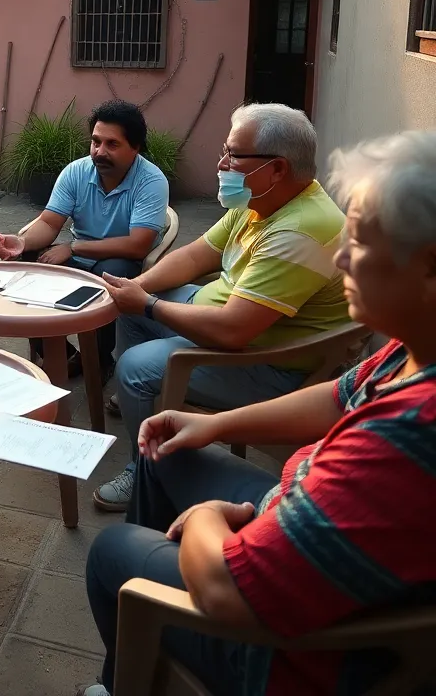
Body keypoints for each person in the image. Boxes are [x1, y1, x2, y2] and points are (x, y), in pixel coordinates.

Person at [80, 129, 436, 696]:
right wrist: (215, 425)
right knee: (163, 450)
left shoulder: (403, 439)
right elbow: (339, 394)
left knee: (112, 552)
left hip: (291, 656)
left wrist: (206, 522)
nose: (341, 256)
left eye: (362, 242)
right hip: (294, 516)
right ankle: (144, 638)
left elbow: (227, 591)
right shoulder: (412, 350)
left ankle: (141, 637)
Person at [93, 103, 349, 512]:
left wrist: (149, 305)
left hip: (266, 361)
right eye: (224, 151)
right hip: (226, 315)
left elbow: (233, 330)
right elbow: (196, 255)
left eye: (234, 154)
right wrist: (137, 289)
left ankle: (146, 469)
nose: (222, 163)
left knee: (136, 367)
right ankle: (139, 401)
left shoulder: (300, 231)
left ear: (277, 169)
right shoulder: (262, 201)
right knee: (129, 309)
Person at [0, 100, 168, 378]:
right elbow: (49, 222)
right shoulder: (76, 172)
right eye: (96, 142)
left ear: (135, 147)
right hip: (81, 256)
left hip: (123, 259)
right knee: (29, 261)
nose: (100, 151)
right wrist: (22, 242)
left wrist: (73, 247)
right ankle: (63, 354)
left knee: (111, 273)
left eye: (112, 144)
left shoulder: (151, 181)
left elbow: (138, 245)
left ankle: (99, 360)